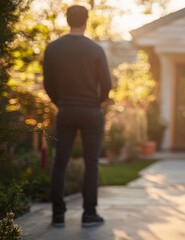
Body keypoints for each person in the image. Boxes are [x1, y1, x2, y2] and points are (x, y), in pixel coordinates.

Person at [43, 5, 112, 228]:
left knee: (59, 162)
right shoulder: (95, 49)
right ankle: (89, 214)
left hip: (65, 111)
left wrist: (61, 102)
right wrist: (96, 103)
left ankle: (58, 216)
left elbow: (48, 84)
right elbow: (107, 84)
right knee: (91, 163)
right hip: (91, 111)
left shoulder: (53, 48)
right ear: (86, 21)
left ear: (66, 20)